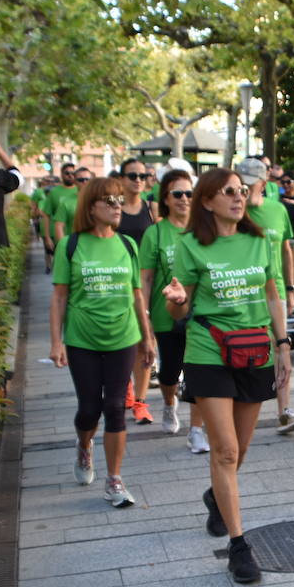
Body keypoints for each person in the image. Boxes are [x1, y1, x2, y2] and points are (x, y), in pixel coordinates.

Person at [161, 168, 294, 584]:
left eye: (240, 191)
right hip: (208, 350)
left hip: (255, 352)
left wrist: (284, 343)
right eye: (227, 192)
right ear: (207, 201)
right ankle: (239, 546)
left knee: (240, 450)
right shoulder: (191, 245)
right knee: (226, 452)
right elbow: (181, 309)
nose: (238, 198)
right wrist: (177, 303)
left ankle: (216, 498)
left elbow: (272, 294)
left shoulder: (259, 241)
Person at [48, 176, 155, 509]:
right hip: (83, 339)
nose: (117, 207)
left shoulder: (127, 245)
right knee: (89, 410)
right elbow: (59, 296)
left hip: (123, 336)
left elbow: (137, 295)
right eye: (109, 201)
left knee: (115, 408)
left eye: (119, 200)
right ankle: (84, 446)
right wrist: (56, 342)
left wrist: (147, 336)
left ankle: (114, 479)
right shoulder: (72, 245)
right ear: (91, 208)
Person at [238, 157, 294, 436]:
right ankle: (239, 405)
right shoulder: (234, 212)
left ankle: (285, 410)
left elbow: (286, 250)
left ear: (263, 184)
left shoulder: (277, 211)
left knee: (282, 346)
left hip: (276, 289)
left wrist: (291, 288)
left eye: (249, 185)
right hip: (242, 292)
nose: (244, 190)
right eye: (240, 184)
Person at [140, 168, 210, 452]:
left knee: (199, 371)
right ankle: (170, 402)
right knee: (170, 372)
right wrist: (143, 315)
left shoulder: (204, 230)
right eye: (177, 194)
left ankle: (196, 430)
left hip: (201, 315)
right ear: (165, 199)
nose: (184, 199)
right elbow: (145, 279)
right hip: (166, 314)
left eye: (189, 193)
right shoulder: (155, 233)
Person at [116, 157, 158, 428]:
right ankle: (127, 389)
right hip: (119, 286)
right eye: (132, 176)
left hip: (145, 283)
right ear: (122, 179)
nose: (138, 180)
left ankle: (140, 401)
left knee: (146, 342)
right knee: (124, 345)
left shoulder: (151, 208)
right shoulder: (113, 207)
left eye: (142, 176)